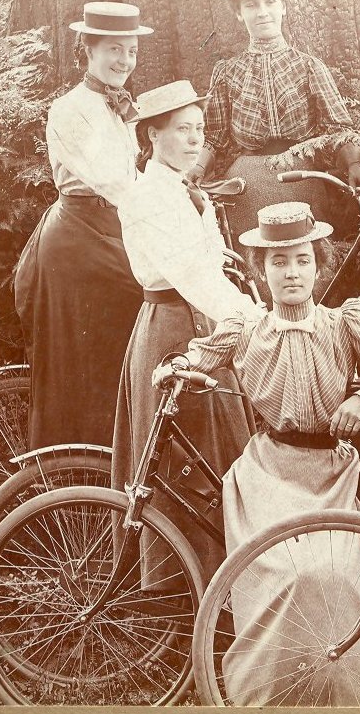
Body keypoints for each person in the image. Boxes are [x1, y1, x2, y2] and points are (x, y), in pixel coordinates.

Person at [154, 202, 360, 705]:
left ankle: (344, 687)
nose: (291, 273)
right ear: (261, 270)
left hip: (330, 474)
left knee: (331, 575)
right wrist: (176, 366)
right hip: (267, 474)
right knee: (285, 577)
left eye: (302, 260)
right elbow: (198, 355)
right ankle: (282, 694)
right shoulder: (245, 329)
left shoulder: (345, 323)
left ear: (319, 264)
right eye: (278, 262)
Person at [113, 80, 265, 580]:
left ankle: (227, 581)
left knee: (216, 452)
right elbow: (192, 276)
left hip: (204, 325)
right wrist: (253, 320)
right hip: (173, 331)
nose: (194, 139)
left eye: (199, 129)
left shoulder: (183, 191)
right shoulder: (149, 197)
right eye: (182, 130)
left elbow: (210, 263)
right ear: (152, 137)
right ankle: (179, 591)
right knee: (181, 460)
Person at [14, 1, 152, 450]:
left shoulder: (120, 108)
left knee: (120, 343)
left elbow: (130, 177)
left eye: (130, 52)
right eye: (114, 49)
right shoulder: (69, 110)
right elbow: (110, 178)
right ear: (87, 50)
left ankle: (122, 465)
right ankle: (70, 474)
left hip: (110, 229)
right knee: (80, 359)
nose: (123, 62)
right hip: (76, 240)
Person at [188, 0, 360, 237]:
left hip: (303, 177)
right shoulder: (227, 72)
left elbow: (339, 129)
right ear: (239, 14)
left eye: (270, 2)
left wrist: (356, 164)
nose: (262, 12)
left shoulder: (309, 66)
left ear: (283, 6)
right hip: (247, 185)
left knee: (307, 259)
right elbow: (215, 137)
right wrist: (197, 168)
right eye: (250, 5)